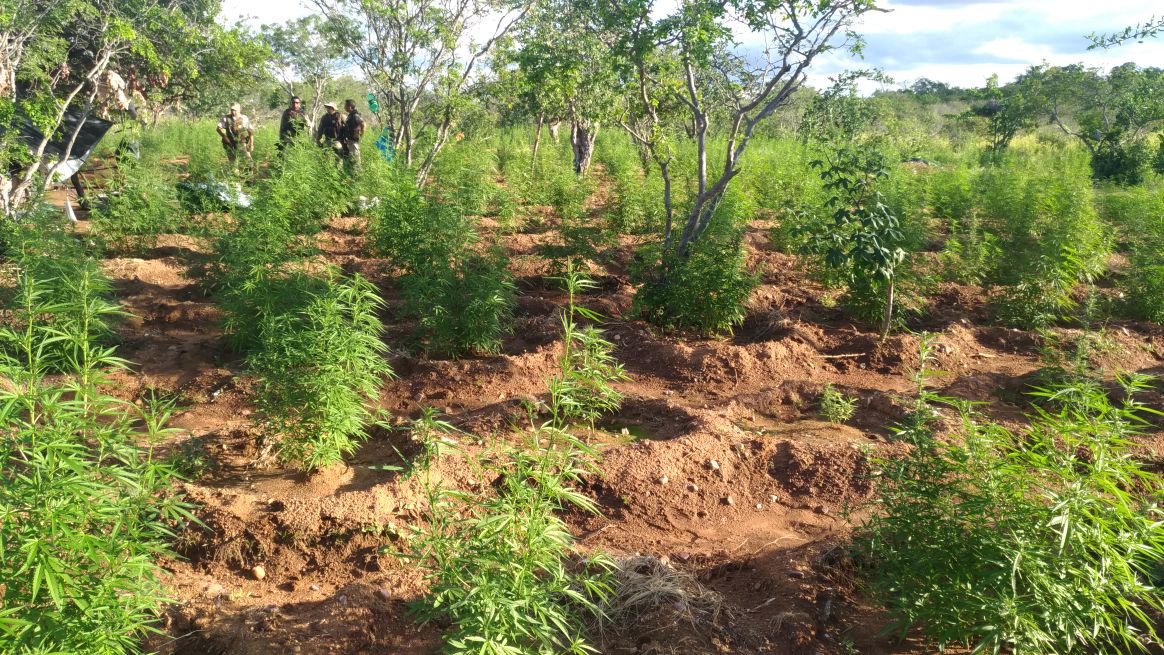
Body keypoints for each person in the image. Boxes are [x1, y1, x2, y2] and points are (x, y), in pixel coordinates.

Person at [339, 98, 365, 172]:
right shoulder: (350, 115)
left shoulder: (355, 115)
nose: (344, 107)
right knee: (349, 160)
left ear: (350, 107)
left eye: (345, 106)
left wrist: (361, 135)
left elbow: (363, 124)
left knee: (356, 162)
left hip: (353, 142)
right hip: (349, 141)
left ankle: (358, 178)